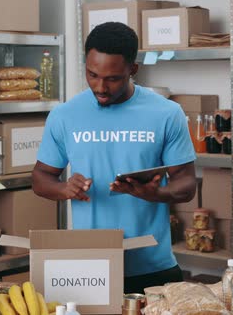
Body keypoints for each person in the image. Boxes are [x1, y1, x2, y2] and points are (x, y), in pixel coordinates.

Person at [32, 22, 197, 293]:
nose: (100, 87)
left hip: (153, 268)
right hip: (88, 267)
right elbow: (40, 178)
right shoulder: (64, 115)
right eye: (92, 74)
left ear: (133, 69)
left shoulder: (167, 113)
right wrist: (64, 188)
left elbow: (187, 185)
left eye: (113, 78)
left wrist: (154, 193)